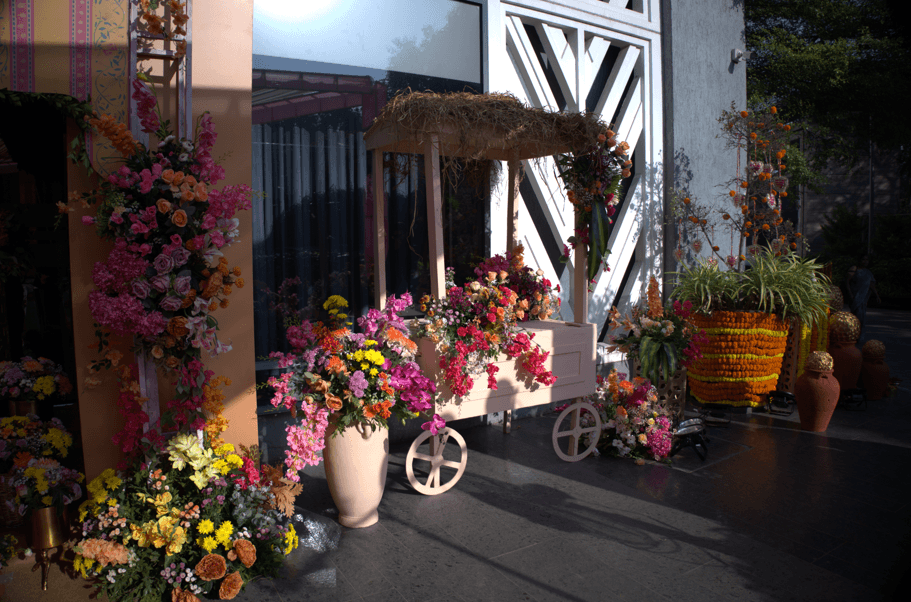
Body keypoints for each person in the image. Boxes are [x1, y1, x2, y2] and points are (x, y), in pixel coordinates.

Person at [845, 254, 881, 340]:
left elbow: (871, 285)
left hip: (863, 299)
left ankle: (858, 337)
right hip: (854, 298)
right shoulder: (854, 269)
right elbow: (846, 282)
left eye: (867, 260)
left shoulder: (868, 273)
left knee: (861, 318)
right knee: (855, 317)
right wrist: (850, 295)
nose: (865, 261)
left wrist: (877, 296)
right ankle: (851, 335)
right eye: (863, 259)